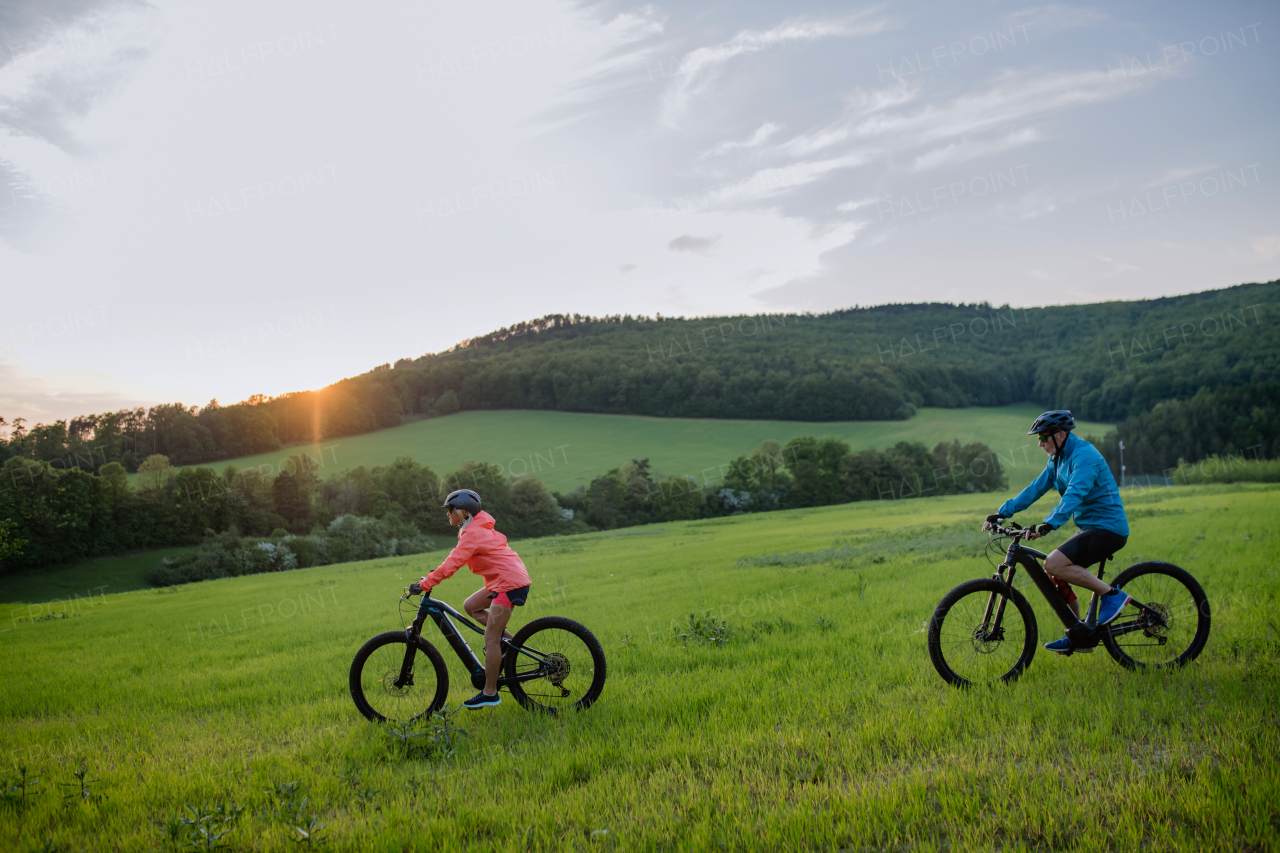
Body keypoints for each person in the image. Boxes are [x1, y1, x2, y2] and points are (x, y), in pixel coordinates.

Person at [983, 410, 1131, 654]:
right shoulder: (1057, 460)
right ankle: (1077, 632)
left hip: (1109, 528)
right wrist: (1002, 513)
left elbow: (1074, 494)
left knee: (1054, 562)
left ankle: (1112, 595)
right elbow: (1035, 489)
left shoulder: (1085, 457)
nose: (1040, 443)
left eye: (1044, 437)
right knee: (1055, 571)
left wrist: (1048, 524)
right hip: (1091, 527)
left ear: (1061, 434)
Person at [417, 489, 532, 709]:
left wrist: (426, 584)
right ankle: (511, 645)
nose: (448, 514)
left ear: (462, 512)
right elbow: (454, 560)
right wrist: (432, 577)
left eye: (450, 510)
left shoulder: (473, 534)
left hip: (508, 585)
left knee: (490, 639)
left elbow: (452, 563)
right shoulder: (475, 529)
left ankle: (490, 693)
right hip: (505, 581)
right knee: (471, 606)